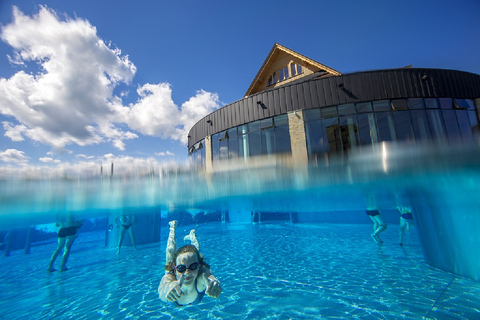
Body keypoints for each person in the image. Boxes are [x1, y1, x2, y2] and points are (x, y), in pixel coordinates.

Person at [158, 221, 222, 306]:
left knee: (196, 254)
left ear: (199, 266)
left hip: (197, 264)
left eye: (193, 267)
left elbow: (207, 275)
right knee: (170, 252)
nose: (187, 273)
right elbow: (162, 290)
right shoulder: (170, 276)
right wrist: (169, 288)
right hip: (175, 275)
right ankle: (172, 228)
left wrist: (213, 282)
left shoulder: (200, 277)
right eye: (181, 268)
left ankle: (193, 237)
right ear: (175, 268)